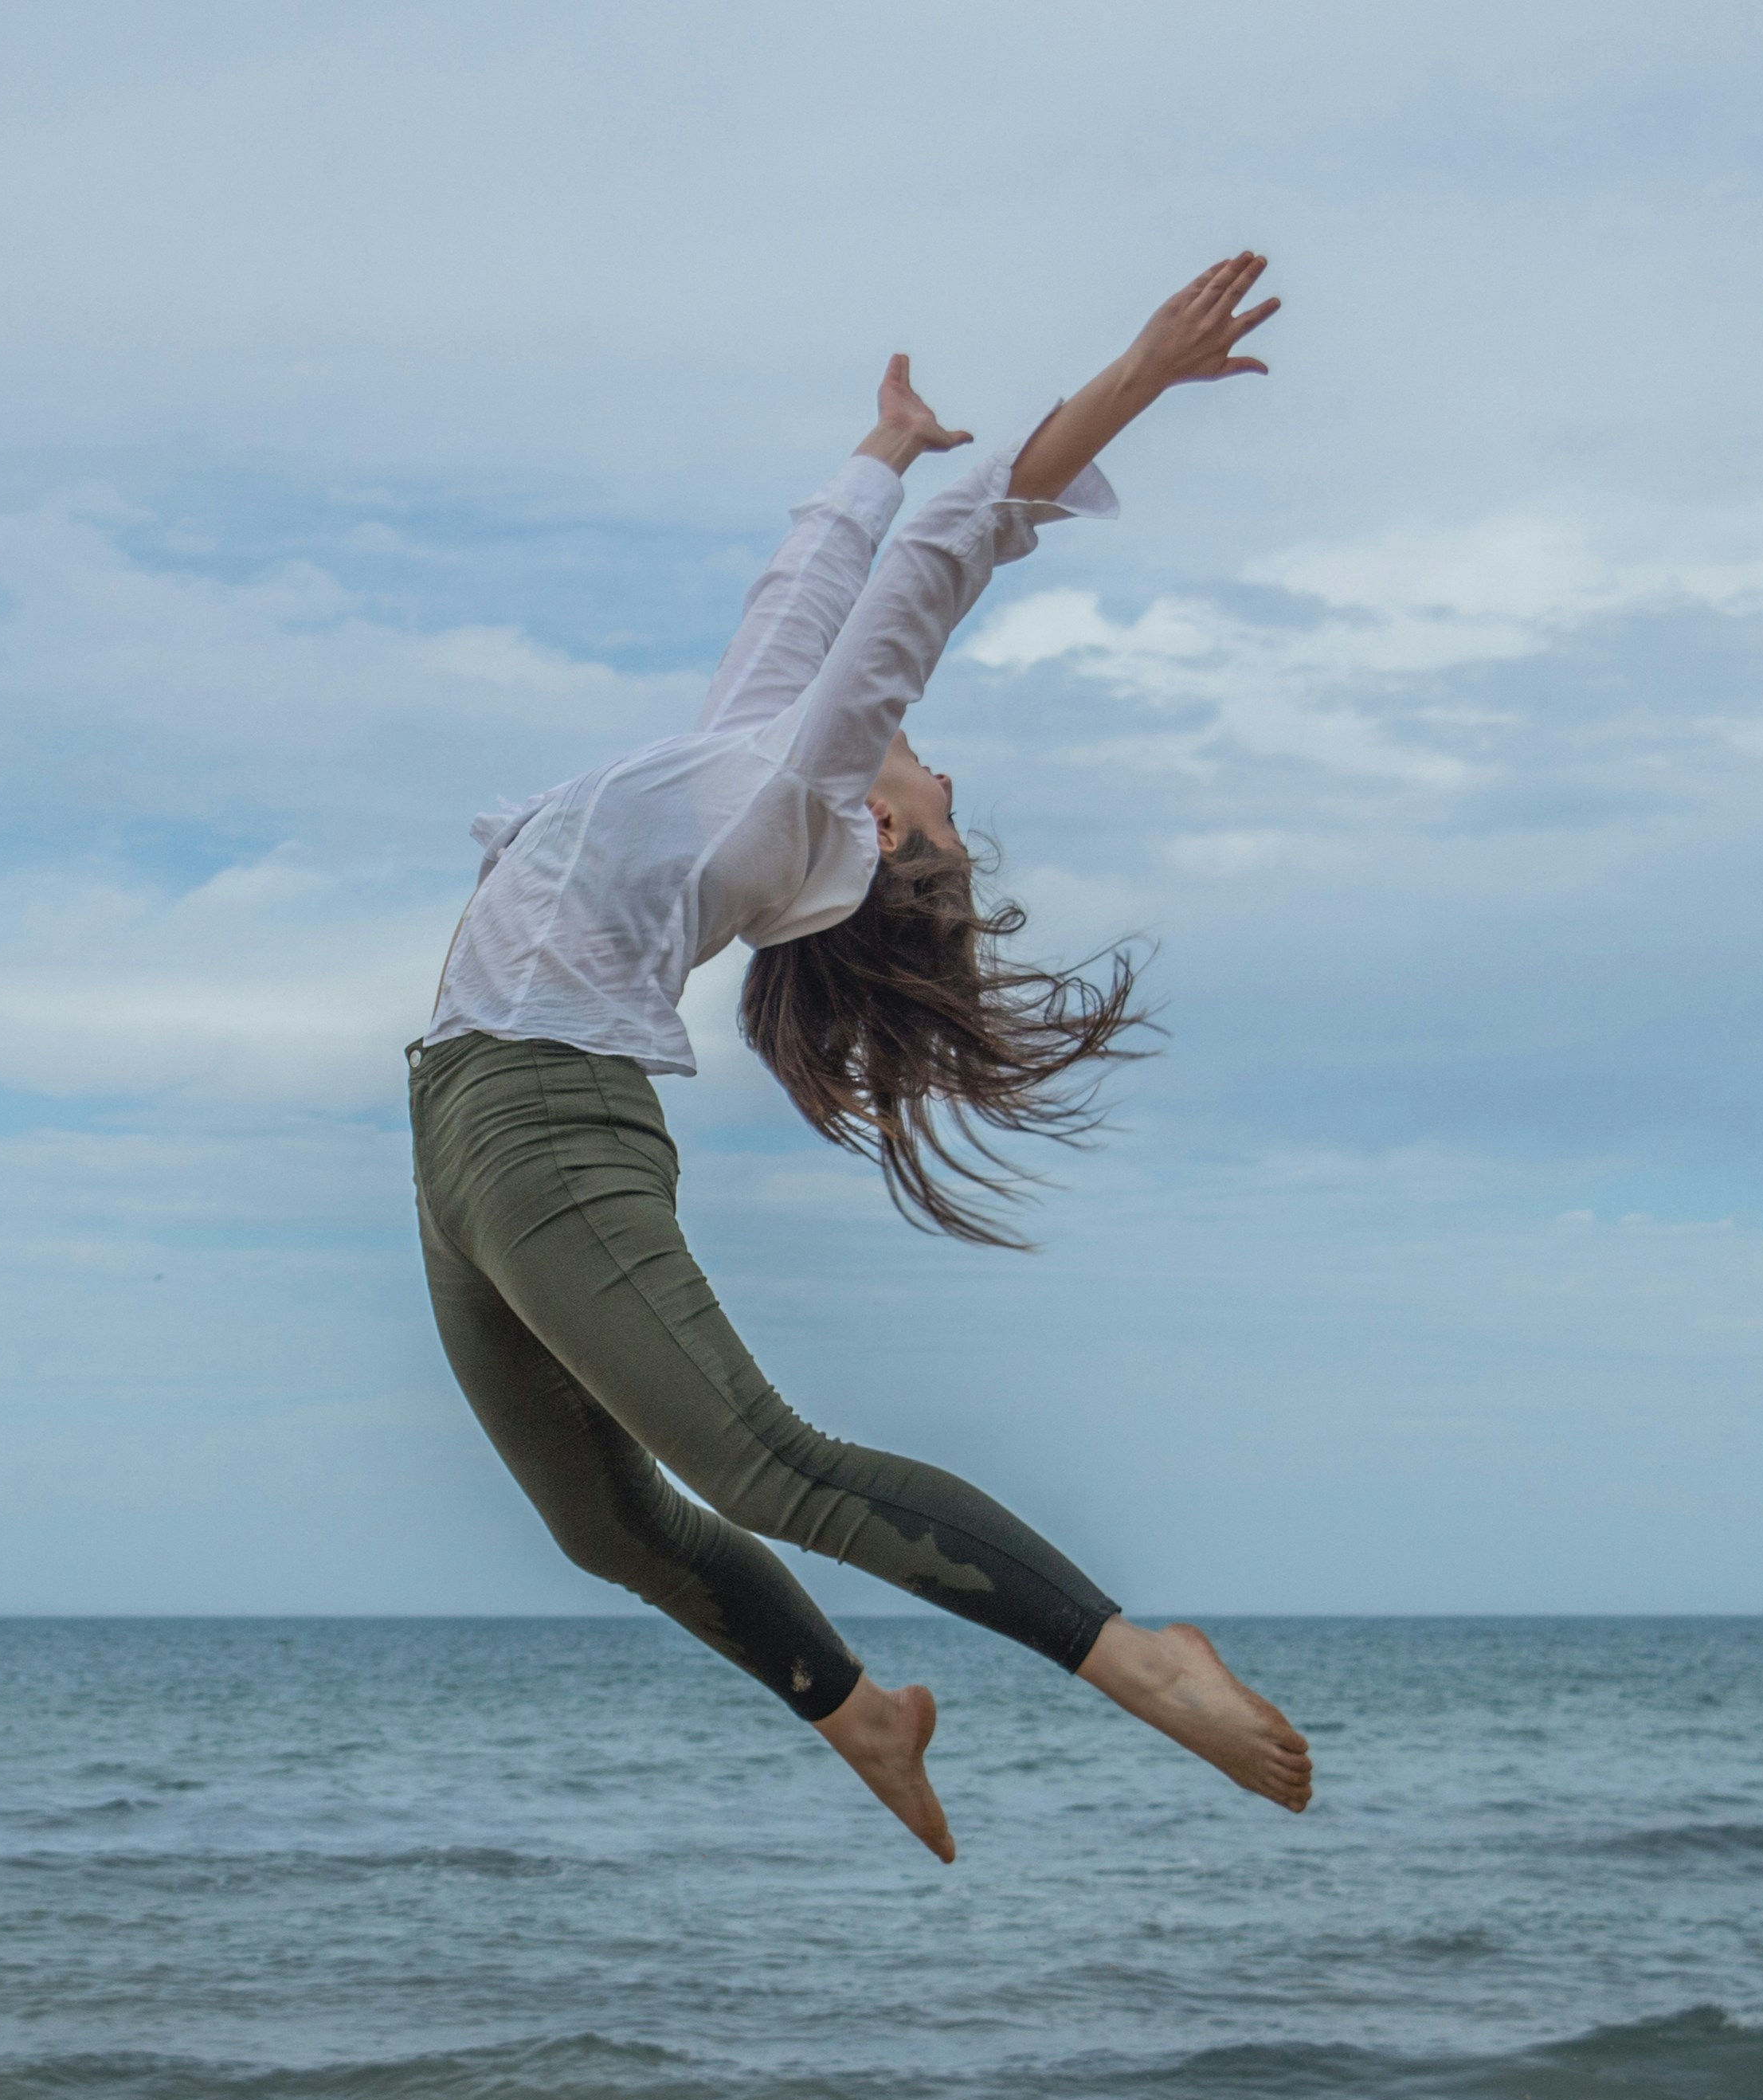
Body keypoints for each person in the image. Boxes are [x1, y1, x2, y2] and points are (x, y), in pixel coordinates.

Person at [408, 256, 1314, 1863]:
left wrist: (1132, 375)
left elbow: (939, 573)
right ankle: (858, 1711)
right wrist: (879, 447)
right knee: (598, 1521)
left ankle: (1136, 1663)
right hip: (461, 1121)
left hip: (544, 1120)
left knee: (764, 1463)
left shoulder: (796, 796)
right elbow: (806, 592)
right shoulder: (749, 765)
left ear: (883, 827)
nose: (939, 761)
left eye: (943, 799)